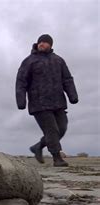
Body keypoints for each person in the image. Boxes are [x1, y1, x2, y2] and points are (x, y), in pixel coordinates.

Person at [16, 34, 78, 167]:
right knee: (52, 130)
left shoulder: (59, 60)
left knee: (62, 128)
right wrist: (21, 101)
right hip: (39, 103)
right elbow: (21, 82)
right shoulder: (29, 61)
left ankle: (38, 146)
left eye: (44, 42)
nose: (41, 44)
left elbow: (67, 79)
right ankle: (57, 158)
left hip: (58, 102)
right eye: (40, 42)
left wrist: (73, 95)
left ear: (50, 45)